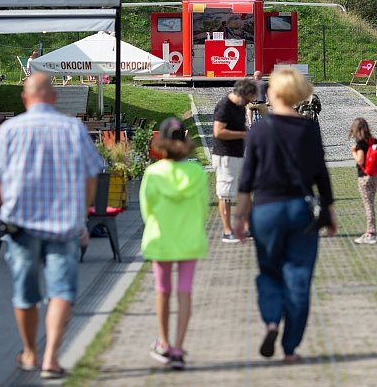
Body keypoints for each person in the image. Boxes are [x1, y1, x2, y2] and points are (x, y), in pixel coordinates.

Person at [0, 74, 103, 379]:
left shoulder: (9, 130)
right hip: (64, 224)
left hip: (21, 224)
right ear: (54, 97)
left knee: (25, 293)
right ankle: (51, 357)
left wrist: (8, 207)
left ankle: (29, 352)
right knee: (61, 291)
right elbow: (92, 175)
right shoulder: (73, 129)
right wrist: (82, 213)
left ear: (25, 98)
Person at [234, 67, 337, 363]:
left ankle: (271, 321)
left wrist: (240, 217)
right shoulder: (309, 128)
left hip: (266, 210)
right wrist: (329, 210)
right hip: (300, 209)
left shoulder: (259, 130)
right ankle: (290, 348)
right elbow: (321, 173)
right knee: (299, 278)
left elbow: (247, 180)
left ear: (274, 93)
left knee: (270, 272)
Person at [140, 117, 208, 370]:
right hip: (189, 239)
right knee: (185, 291)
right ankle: (178, 347)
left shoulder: (153, 173)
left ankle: (164, 342)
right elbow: (203, 208)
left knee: (162, 290)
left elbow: (147, 210)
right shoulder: (197, 173)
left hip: (161, 238)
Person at [212, 78, 258, 243]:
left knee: (244, 191)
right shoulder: (224, 106)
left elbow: (239, 126)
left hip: (238, 155)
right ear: (241, 94)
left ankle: (248, 228)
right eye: (247, 99)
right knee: (225, 194)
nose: (248, 103)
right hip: (225, 155)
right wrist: (244, 134)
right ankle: (227, 231)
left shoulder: (240, 106)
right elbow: (218, 131)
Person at [349, 117, 377, 245]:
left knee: (368, 205)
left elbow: (360, 160)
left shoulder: (361, 143)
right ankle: (370, 232)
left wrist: (353, 152)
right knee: (371, 203)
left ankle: (370, 233)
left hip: (364, 177)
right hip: (375, 175)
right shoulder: (374, 141)